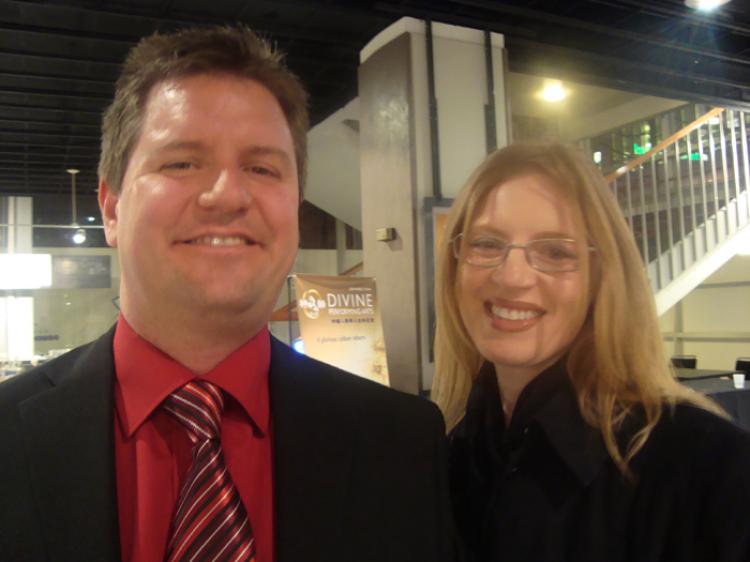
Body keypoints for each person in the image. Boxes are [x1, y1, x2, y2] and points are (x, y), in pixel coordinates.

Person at [0, 26, 455, 562]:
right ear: (112, 206)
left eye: (261, 168)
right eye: (182, 162)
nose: (228, 195)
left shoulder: (401, 446)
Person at [432, 143, 750, 562]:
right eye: (487, 243)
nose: (511, 276)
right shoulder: (443, 455)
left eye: (556, 252)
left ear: (601, 278)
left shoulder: (709, 467)